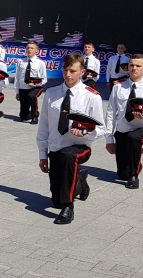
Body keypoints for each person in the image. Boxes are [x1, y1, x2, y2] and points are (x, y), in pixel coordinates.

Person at [36, 53, 104, 225]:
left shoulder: (92, 96)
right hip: (56, 147)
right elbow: (44, 125)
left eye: (73, 71)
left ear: (82, 72)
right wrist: (43, 155)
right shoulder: (51, 93)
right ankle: (80, 180)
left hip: (79, 148)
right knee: (55, 201)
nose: (68, 75)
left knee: (69, 157)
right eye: (65, 70)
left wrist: (87, 133)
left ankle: (69, 207)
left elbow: (102, 128)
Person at [102, 53, 143, 189]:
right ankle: (133, 165)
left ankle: (134, 176)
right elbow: (111, 113)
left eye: (138, 66)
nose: (134, 68)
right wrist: (109, 139)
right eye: (131, 65)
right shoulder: (118, 87)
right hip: (123, 129)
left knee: (133, 138)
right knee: (122, 174)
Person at [14, 41, 47, 124]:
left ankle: (34, 116)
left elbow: (44, 79)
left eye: (32, 48)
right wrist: (17, 92)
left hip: (35, 87)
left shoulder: (40, 63)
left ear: (37, 50)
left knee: (32, 96)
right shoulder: (21, 61)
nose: (29, 49)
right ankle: (28, 114)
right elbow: (17, 77)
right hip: (23, 88)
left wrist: (36, 84)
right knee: (23, 117)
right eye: (28, 48)